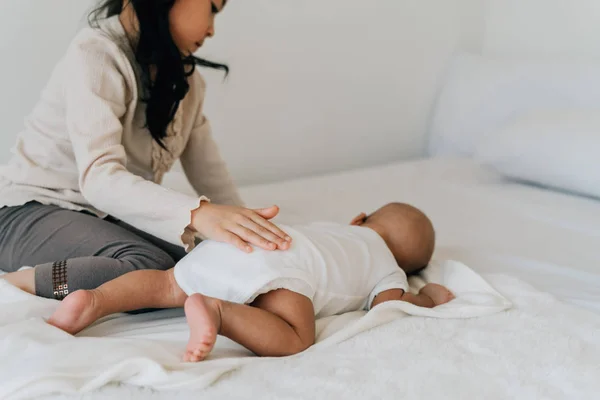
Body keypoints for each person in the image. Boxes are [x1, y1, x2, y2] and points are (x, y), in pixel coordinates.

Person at [0, 0, 292, 299]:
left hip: (100, 215)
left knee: (206, 257)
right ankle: (19, 284)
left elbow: (211, 175)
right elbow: (99, 179)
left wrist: (259, 236)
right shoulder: (96, 53)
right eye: (212, 8)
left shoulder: (187, 82)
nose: (211, 29)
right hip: (27, 210)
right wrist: (197, 214)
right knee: (150, 266)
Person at [48, 202, 455, 362]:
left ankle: (96, 300)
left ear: (360, 220)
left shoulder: (335, 228)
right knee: (296, 337)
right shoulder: (388, 266)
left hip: (240, 244)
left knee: (167, 282)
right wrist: (428, 296)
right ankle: (217, 310)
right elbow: (389, 305)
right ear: (408, 263)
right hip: (289, 274)